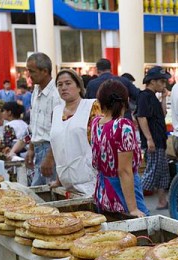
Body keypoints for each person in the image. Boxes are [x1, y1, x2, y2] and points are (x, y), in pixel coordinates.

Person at [91, 80, 149, 217]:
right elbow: (124, 171)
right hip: (122, 190)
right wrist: (133, 208)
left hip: (102, 191)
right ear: (125, 100)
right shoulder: (123, 126)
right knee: (141, 232)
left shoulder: (96, 123)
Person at [50, 69, 100, 196]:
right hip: (66, 182)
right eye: (60, 85)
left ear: (79, 87)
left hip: (90, 180)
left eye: (68, 83)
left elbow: (100, 143)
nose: (63, 88)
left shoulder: (91, 106)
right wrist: (58, 179)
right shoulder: (56, 111)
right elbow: (58, 146)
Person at [24, 52, 63, 186]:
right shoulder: (35, 90)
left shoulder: (56, 95)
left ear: (45, 71)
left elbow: (60, 130)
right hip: (38, 147)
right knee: (38, 193)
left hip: (50, 149)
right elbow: (34, 124)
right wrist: (31, 148)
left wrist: (50, 157)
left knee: (43, 195)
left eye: (32, 71)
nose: (29, 75)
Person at [136, 66, 171, 210]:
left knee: (162, 173)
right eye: (162, 81)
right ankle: (134, 201)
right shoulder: (144, 96)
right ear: (152, 81)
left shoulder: (153, 97)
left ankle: (162, 201)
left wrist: (163, 98)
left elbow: (163, 114)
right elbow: (141, 117)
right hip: (154, 142)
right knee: (151, 173)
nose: (164, 85)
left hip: (159, 140)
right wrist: (149, 139)